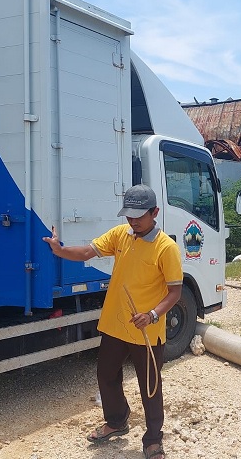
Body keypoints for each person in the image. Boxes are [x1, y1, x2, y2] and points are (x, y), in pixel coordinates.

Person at [43, 184, 182, 459]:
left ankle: (153, 439)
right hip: (116, 323)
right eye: (129, 215)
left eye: (139, 216)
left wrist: (153, 314)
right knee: (106, 375)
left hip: (147, 329)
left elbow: (175, 291)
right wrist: (60, 250)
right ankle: (117, 421)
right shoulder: (121, 235)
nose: (133, 221)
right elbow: (86, 253)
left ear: (154, 212)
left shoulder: (166, 247)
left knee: (150, 386)